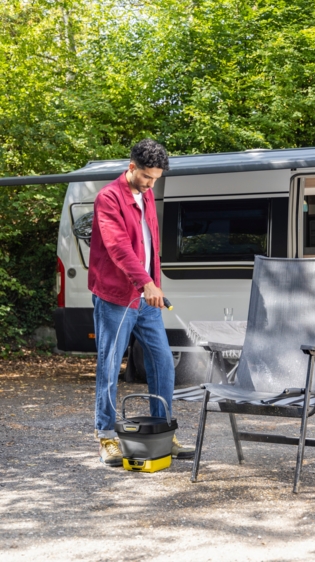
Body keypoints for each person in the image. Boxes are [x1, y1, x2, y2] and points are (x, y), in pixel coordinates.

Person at [88, 138, 195, 466]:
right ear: (132, 167)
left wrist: (154, 285)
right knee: (110, 365)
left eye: (156, 179)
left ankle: (162, 433)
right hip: (116, 297)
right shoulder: (108, 198)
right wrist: (146, 283)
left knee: (162, 362)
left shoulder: (146, 195)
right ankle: (106, 437)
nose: (151, 184)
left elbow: (150, 246)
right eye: (147, 176)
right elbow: (118, 247)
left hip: (147, 298)